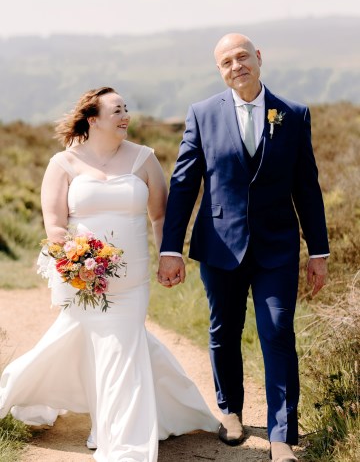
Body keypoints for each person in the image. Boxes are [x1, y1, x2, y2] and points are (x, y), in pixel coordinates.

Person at [0, 87, 219, 462]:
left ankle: (119, 439)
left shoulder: (145, 159)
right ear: (93, 118)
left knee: (121, 346)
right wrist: (74, 262)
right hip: (81, 276)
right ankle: (25, 392)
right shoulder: (62, 163)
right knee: (81, 341)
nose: (125, 116)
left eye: (126, 109)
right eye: (116, 110)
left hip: (131, 278)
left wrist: (169, 256)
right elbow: (54, 225)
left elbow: (160, 216)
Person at [157, 34, 329, 462]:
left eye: (242, 57)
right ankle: (230, 410)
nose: (237, 65)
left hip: (278, 247)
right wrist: (170, 247)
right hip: (220, 245)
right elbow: (183, 184)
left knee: (277, 332)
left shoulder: (293, 114)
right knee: (223, 330)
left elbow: (307, 186)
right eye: (226, 61)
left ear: (258, 58)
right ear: (220, 70)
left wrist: (319, 251)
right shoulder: (202, 114)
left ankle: (281, 435)